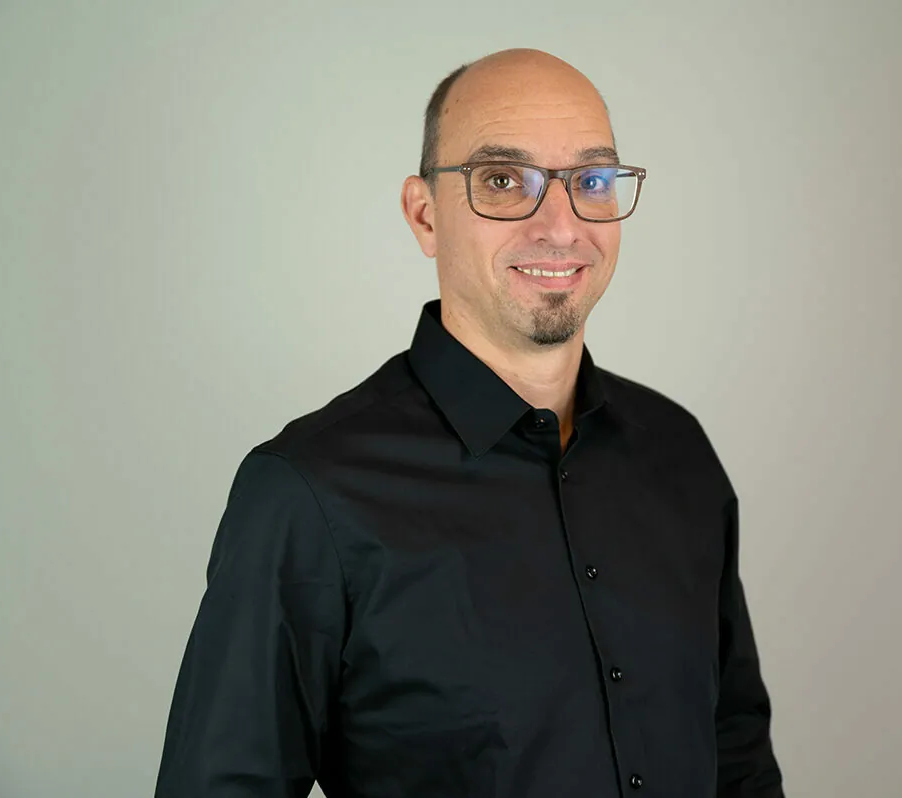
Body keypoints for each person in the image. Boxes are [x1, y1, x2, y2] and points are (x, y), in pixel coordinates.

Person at [155, 48, 784, 797]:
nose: (561, 225)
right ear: (425, 215)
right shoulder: (308, 494)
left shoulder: (679, 455)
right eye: (502, 181)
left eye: (591, 180)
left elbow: (736, 753)